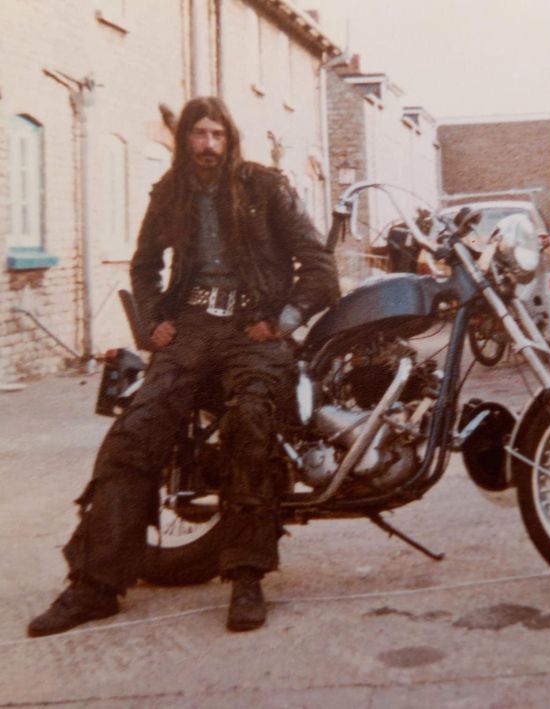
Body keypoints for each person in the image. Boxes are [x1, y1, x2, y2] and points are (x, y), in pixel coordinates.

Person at [28, 96, 340, 636]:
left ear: (230, 138)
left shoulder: (264, 187)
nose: (209, 146)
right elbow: (145, 266)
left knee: (252, 420)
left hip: (253, 330)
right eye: (199, 135)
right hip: (191, 332)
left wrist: (283, 321)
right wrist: (153, 323)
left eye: (218, 135)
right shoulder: (169, 193)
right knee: (135, 431)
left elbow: (318, 267)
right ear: (185, 140)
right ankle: (95, 585)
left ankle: (246, 575)